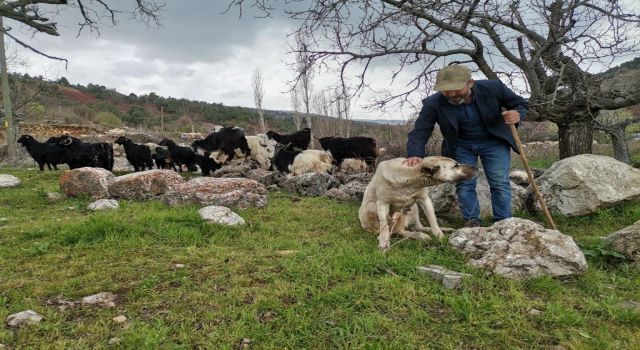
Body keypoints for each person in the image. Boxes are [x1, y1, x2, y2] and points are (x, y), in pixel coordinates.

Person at [404, 64, 528, 227]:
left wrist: (518, 113)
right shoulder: (433, 103)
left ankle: (502, 221)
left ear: (470, 83)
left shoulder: (494, 88)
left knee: (499, 182)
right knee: (465, 183)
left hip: (494, 142)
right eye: (446, 90)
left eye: (456, 89)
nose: (452, 94)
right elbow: (421, 130)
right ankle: (472, 221)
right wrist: (415, 153)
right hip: (461, 146)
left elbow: (521, 104)